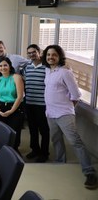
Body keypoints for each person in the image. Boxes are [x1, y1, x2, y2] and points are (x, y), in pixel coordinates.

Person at [42, 45, 97, 189]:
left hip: (64, 114)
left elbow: (76, 95)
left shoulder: (65, 72)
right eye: (48, 55)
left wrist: (68, 108)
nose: (50, 57)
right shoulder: (48, 70)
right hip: (50, 113)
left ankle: (90, 172)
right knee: (56, 139)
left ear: (59, 56)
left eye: (54, 55)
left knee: (76, 142)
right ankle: (60, 163)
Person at [22, 44, 50, 163]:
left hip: (42, 104)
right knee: (32, 128)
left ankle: (44, 153)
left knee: (44, 130)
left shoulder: (46, 67)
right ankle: (35, 150)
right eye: (29, 53)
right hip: (29, 103)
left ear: (39, 52)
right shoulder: (27, 67)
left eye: (34, 52)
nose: (31, 54)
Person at [0, 57, 24, 152]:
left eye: (5, 65)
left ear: (10, 66)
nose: (3, 68)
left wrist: (11, 111)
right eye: (0, 66)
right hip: (1, 107)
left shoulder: (16, 77)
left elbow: (20, 97)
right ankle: (2, 151)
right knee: (1, 131)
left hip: (14, 107)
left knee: (14, 132)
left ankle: (14, 151)